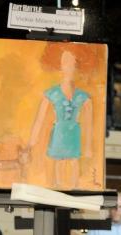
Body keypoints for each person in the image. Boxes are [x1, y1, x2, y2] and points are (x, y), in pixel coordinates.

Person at [28, 45, 96, 189]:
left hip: (74, 133)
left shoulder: (84, 97)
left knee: (73, 162)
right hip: (58, 132)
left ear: (77, 67)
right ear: (60, 66)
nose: (70, 67)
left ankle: (74, 187)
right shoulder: (51, 93)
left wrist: (89, 146)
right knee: (58, 161)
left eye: (73, 64)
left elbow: (90, 124)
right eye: (66, 63)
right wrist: (32, 141)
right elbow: (39, 119)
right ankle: (58, 186)